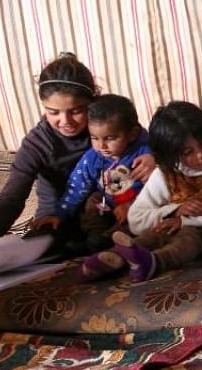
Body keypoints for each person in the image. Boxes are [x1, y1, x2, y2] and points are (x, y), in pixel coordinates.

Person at [0, 54, 153, 249]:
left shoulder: (109, 121)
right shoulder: (38, 142)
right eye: (53, 112)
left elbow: (144, 140)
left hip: (110, 206)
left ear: (93, 100)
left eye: (76, 111)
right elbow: (13, 194)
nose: (65, 121)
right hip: (58, 215)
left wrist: (154, 159)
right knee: (38, 247)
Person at [83, 101, 202, 282]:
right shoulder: (166, 171)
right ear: (171, 154)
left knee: (189, 239)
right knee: (155, 233)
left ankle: (154, 262)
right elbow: (136, 219)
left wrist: (183, 220)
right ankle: (112, 258)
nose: (201, 155)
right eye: (188, 152)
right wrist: (174, 211)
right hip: (168, 223)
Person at [51, 94, 152, 253]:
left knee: (136, 219)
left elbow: (154, 189)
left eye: (110, 138)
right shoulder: (92, 157)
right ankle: (95, 238)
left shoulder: (145, 156)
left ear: (132, 134)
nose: (101, 146)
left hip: (136, 206)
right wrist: (59, 214)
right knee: (93, 200)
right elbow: (76, 186)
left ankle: (113, 240)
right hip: (107, 205)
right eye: (95, 138)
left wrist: (129, 203)